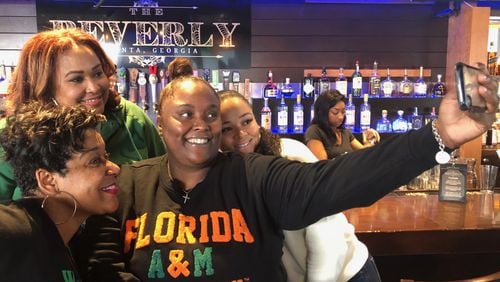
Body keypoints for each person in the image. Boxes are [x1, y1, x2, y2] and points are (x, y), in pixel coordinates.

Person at [82, 63, 498, 281]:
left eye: (211, 115)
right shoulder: (131, 183)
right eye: (185, 114)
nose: (201, 125)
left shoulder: (253, 175)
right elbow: (101, 265)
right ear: (161, 122)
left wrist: (438, 136)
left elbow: (340, 181)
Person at [218, 89, 380, 281]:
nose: (241, 134)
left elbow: (326, 236)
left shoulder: (288, 156)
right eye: (227, 128)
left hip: (346, 275)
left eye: (247, 121)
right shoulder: (229, 175)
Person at [0, 28, 166, 201]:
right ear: (43, 86)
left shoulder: (132, 119)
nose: (94, 88)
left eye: (97, 73)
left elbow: (163, 185)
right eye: (76, 79)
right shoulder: (11, 136)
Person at [0, 102, 120, 281]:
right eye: (95, 161)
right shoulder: (12, 228)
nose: (115, 168)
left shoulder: (59, 243)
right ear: (48, 181)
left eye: (106, 157)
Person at [305, 90, 380, 160]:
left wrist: (369, 141)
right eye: (335, 112)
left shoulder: (344, 132)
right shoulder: (314, 131)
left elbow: (362, 153)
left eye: (343, 112)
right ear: (323, 112)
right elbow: (322, 165)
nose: (341, 117)